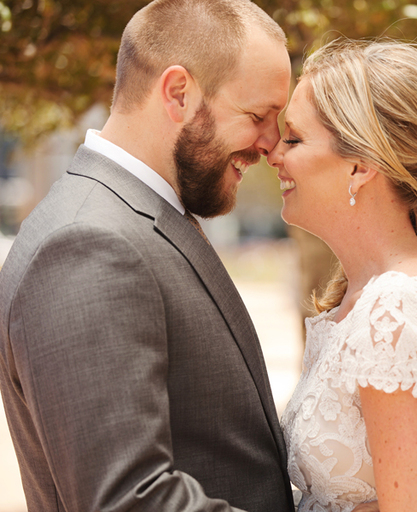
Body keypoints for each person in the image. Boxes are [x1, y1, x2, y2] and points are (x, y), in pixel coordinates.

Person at [0, 1, 295, 510]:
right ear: (179, 93)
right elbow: (129, 500)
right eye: (257, 116)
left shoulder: (136, 217)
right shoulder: (87, 244)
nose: (271, 144)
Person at [268, 40, 417, 512]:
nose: (273, 153)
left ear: (361, 164)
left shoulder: (400, 310)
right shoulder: (366, 297)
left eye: (293, 138)